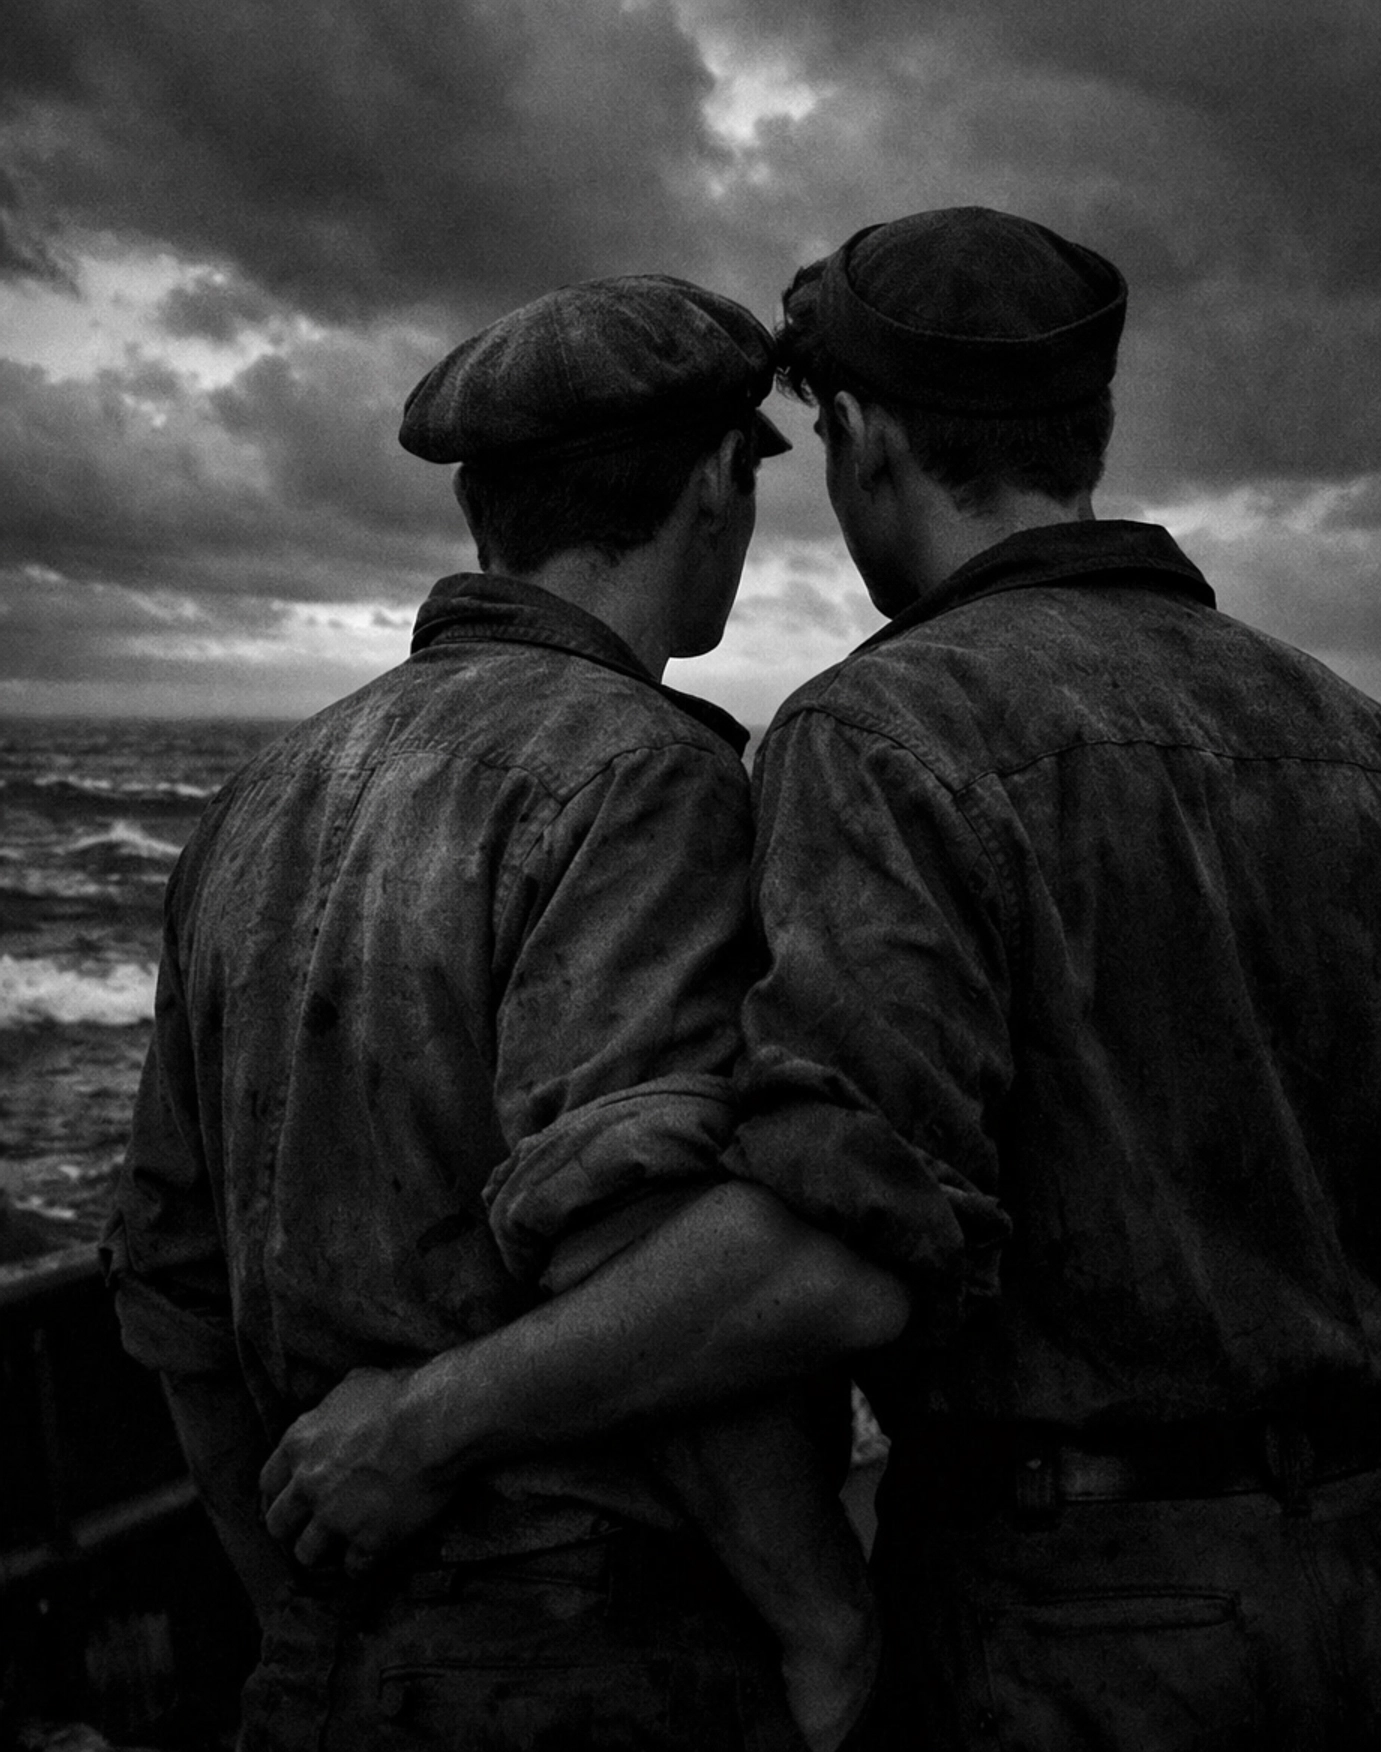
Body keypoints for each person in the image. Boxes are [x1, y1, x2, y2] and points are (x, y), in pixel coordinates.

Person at [715, 206, 1381, 1748]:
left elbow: (842, 1231)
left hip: (1063, 1628)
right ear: (1079, 429)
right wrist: (1355, 1520)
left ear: (867, 440)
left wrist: (446, 1412)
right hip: (1377, 1598)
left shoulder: (882, 738)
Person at [105, 274, 904, 1752]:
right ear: (722, 482)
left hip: (331, 1654)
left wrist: (290, 1596)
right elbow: (635, 1234)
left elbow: (169, 1281)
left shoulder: (256, 799)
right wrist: (823, 1615)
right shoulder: (643, 778)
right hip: (602, 1656)